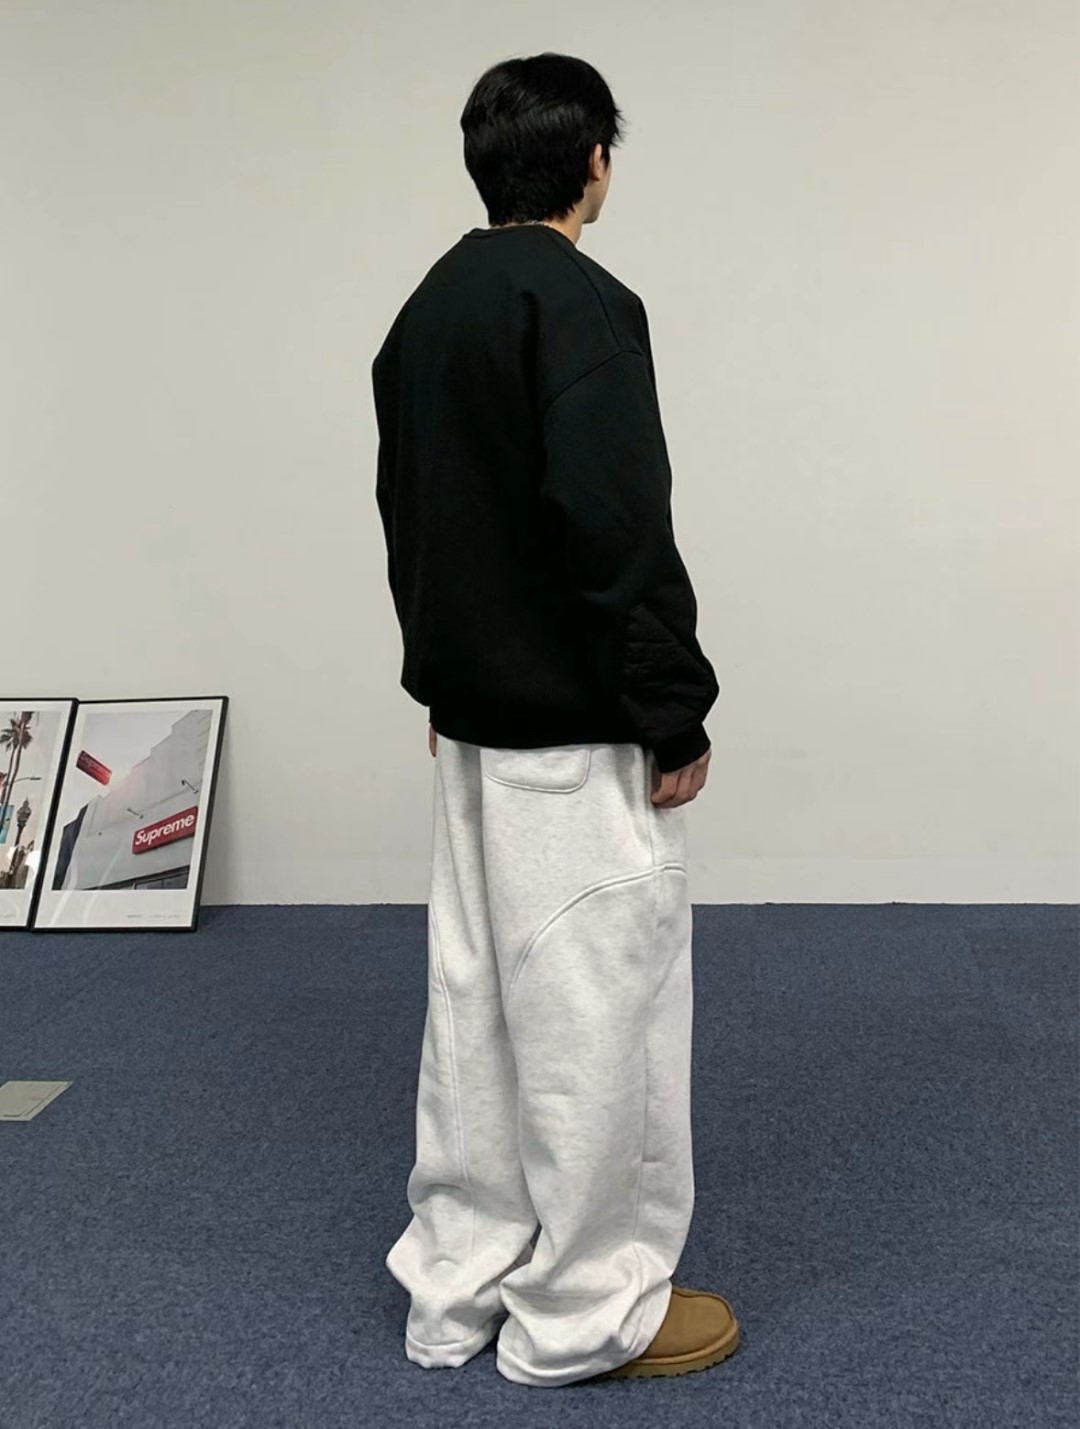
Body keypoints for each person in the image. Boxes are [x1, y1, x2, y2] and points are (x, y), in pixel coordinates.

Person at [373, 51, 739, 1388]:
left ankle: (457, 1280)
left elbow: (414, 511)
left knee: (474, 1010)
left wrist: (441, 673)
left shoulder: (427, 308)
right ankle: (590, 1309)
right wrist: (673, 710)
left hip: (474, 723)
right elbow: (615, 523)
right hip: (576, 729)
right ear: (594, 161)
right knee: (597, 1009)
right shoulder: (583, 303)